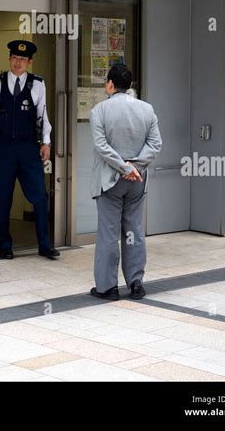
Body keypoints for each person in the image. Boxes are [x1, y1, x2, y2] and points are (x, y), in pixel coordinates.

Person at [0, 39, 60, 260]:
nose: (18, 63)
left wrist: (46, 142)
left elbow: (43, 115)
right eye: (15, 58)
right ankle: (4, 245)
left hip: (27, 148)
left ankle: (45, 245)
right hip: (3, 148)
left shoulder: (37, 84)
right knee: (3, 198)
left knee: (40, 197)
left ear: (29, 62)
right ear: (9, 59)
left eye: (23, 60)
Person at [89, 64, 162, 300]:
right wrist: (136, 166)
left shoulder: (99, 111)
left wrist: (124, 167)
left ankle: (107, 287)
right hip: (136, 182)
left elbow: (102, 147)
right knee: (134, 231)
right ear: (128, 85)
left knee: (109, 234)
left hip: (110, 180)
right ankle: (136, 283)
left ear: (110, 84)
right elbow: (155, 144)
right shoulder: (147, 109)